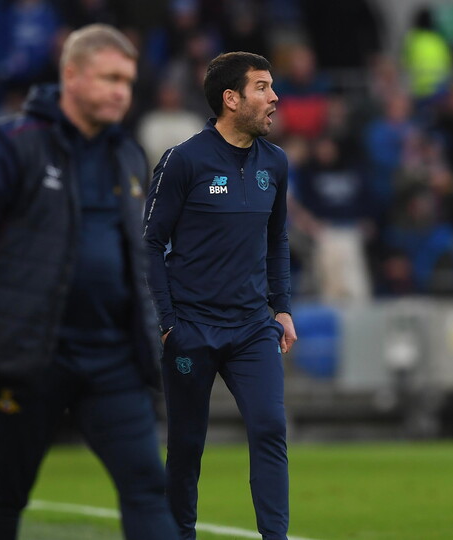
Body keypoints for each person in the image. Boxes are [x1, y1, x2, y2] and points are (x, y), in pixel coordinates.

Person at [0, 25, 177, 540]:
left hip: (113, 357)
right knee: (6, 490)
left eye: (128, 82)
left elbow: (138, 255)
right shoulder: (13, 142)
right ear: (71, 75)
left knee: (149, 485)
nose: (121, 92)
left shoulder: (130, 155)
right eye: (110, 78)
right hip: (30, 353)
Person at [143, 51, 298, 540]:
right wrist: (169, 322)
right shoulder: (183, 160)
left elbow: (277, 239)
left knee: (270, 429)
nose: (274, 98)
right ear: (231, 99)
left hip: (254, 328)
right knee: (187, 446)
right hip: (192, 328)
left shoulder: (276, 163)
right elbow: (148, 243)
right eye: (262, 88)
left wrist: (283, 308)